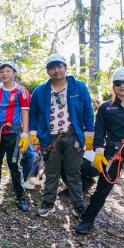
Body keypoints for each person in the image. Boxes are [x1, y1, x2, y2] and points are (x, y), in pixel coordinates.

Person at [29, 53, 94, 218]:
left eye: (59, 66)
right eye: (52, 67)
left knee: (73, 172)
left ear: (65, 68)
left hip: (73, 135)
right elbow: (34, 114)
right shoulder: (40, 91)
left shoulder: (79, 87)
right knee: (52, 171)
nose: (56, 70)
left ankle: (78, 206)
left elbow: (88, 111)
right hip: (50, 138)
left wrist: (89, 134)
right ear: (47, 71)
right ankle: (48, 202)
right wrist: (34, 133)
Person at [75, 67, 124, 235]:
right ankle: (87, 220)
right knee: (103, 188)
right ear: (113, 85)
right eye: (118, 83)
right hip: (112, 153)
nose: (122, 86)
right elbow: (99, 132)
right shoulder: (105, 108)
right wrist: (99, 153)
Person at [0, 62, 30, 211]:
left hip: (14, 133)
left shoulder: (21, 91)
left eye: (7, 71)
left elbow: (25, 112)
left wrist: (25, 133)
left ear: (14, 73)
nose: (4, 73)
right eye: (2, 71)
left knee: (14, 164)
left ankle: (20, 196)